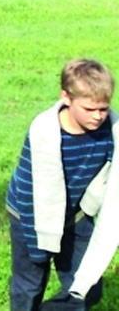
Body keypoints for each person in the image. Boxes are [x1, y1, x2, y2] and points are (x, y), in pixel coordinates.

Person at [6, 59, 118, 311]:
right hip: (30, 215)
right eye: (90, 109)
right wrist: (39, 250)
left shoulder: (112, 131)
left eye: (103, 108)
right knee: (29, 285)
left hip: (76, 215)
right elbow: (29, 194)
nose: (99, 116)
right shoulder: (44, 133)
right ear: (66, 97)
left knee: (86, 287)